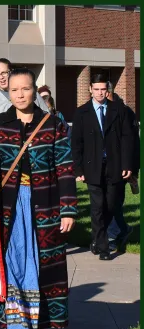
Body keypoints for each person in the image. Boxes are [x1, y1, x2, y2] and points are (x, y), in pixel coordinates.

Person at [0, 68, 76, 329]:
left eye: (25, 89)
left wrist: (68, 208)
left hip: (44, 208)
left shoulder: (53, 124)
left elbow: (64, 168)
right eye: (14, 90)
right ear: (7, 92)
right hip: (8, 211)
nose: (20, 95)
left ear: (34, 90)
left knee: (35, 270)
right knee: (12, 270)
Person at [71, 73, 136, 260]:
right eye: (96, 89)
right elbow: (76, 143)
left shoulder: (119, 110)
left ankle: (97, 238)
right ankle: (103, 246)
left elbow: (127, 139)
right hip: (92, 166)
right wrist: (78, 169)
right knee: (97, 207)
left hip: (114, 165)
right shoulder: (82, 112)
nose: (100, 93)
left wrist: (127, 164)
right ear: (90, 89)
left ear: (108, 90)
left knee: (111, 205)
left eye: (103, 89)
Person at [0, 58, 49, 144]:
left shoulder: (31, 93)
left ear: (11, 72)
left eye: (4, 73)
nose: (1, 77)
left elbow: (46, 117)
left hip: (33, 143)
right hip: (1, 147)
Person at [106, 91, 139, 252]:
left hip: (121, 166)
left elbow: (133, 143)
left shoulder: (125, 113)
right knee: (110, 202)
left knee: (113, 202)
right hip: (107, 166)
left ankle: (112, 235)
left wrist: (132, 168)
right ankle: (121, 229)